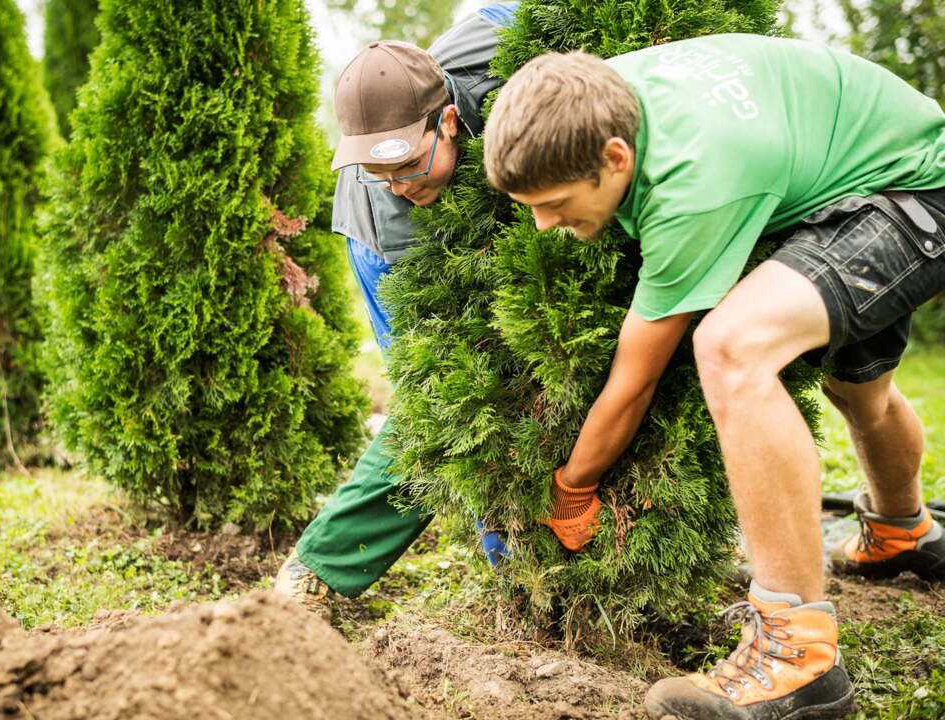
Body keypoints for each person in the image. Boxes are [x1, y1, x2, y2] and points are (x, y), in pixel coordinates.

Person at [483, 34, 945, 720]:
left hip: (916, 189)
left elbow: (635, 378)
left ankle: (797, 658)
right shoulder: (596, 97)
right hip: (867, 169)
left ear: (615, 157)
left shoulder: (696, 179)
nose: (544, 223)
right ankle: (903, 530)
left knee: (733, 346)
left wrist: (572, 486)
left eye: (554, 202)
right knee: (857, 389)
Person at [273, 3, 520, 616]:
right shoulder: (391, 212)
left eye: (408, 165)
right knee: (452, 399)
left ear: (451, 121)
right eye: (377, 170)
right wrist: (393, 178)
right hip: (386, 253)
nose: (398, 182)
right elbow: (449, 382)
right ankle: (324, 567)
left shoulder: (498, 53)